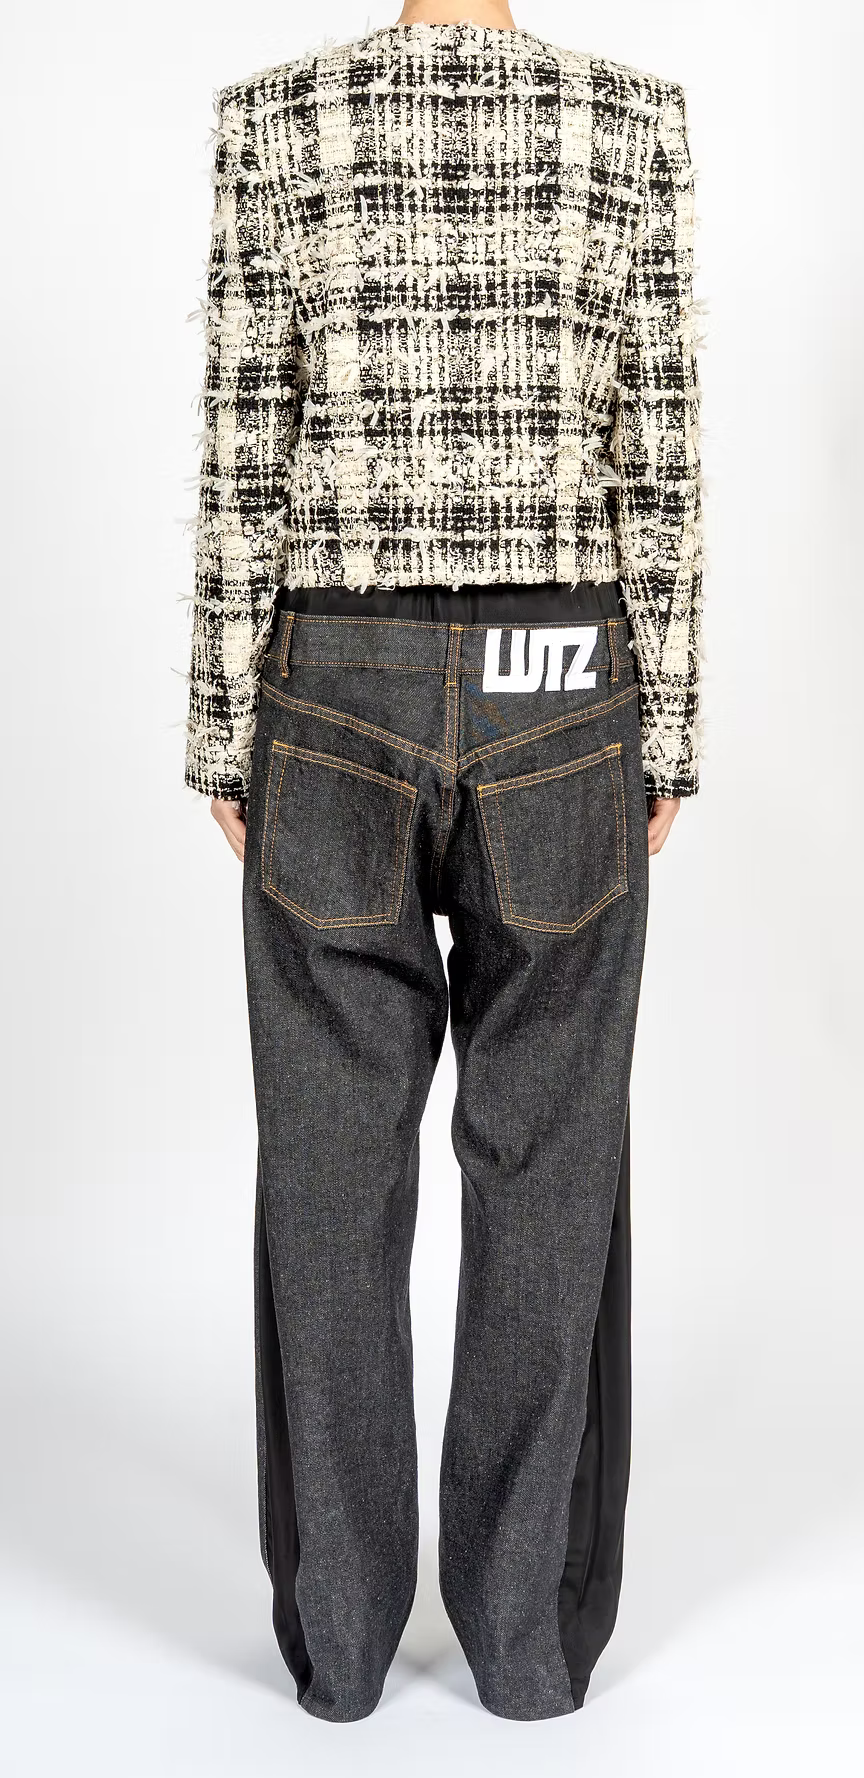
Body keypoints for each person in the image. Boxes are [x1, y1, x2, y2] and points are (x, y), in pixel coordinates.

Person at [184, 1, 703, 1725]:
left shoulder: (276, 121)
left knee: (328, 1166)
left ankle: (338, 1644)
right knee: (550, 1152)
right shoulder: (628, 121)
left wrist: (223, 724)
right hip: (564, 677)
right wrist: (668, 723)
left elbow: (244, 442)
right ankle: (527, 1642)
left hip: (333, 676)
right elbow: (657, 453)